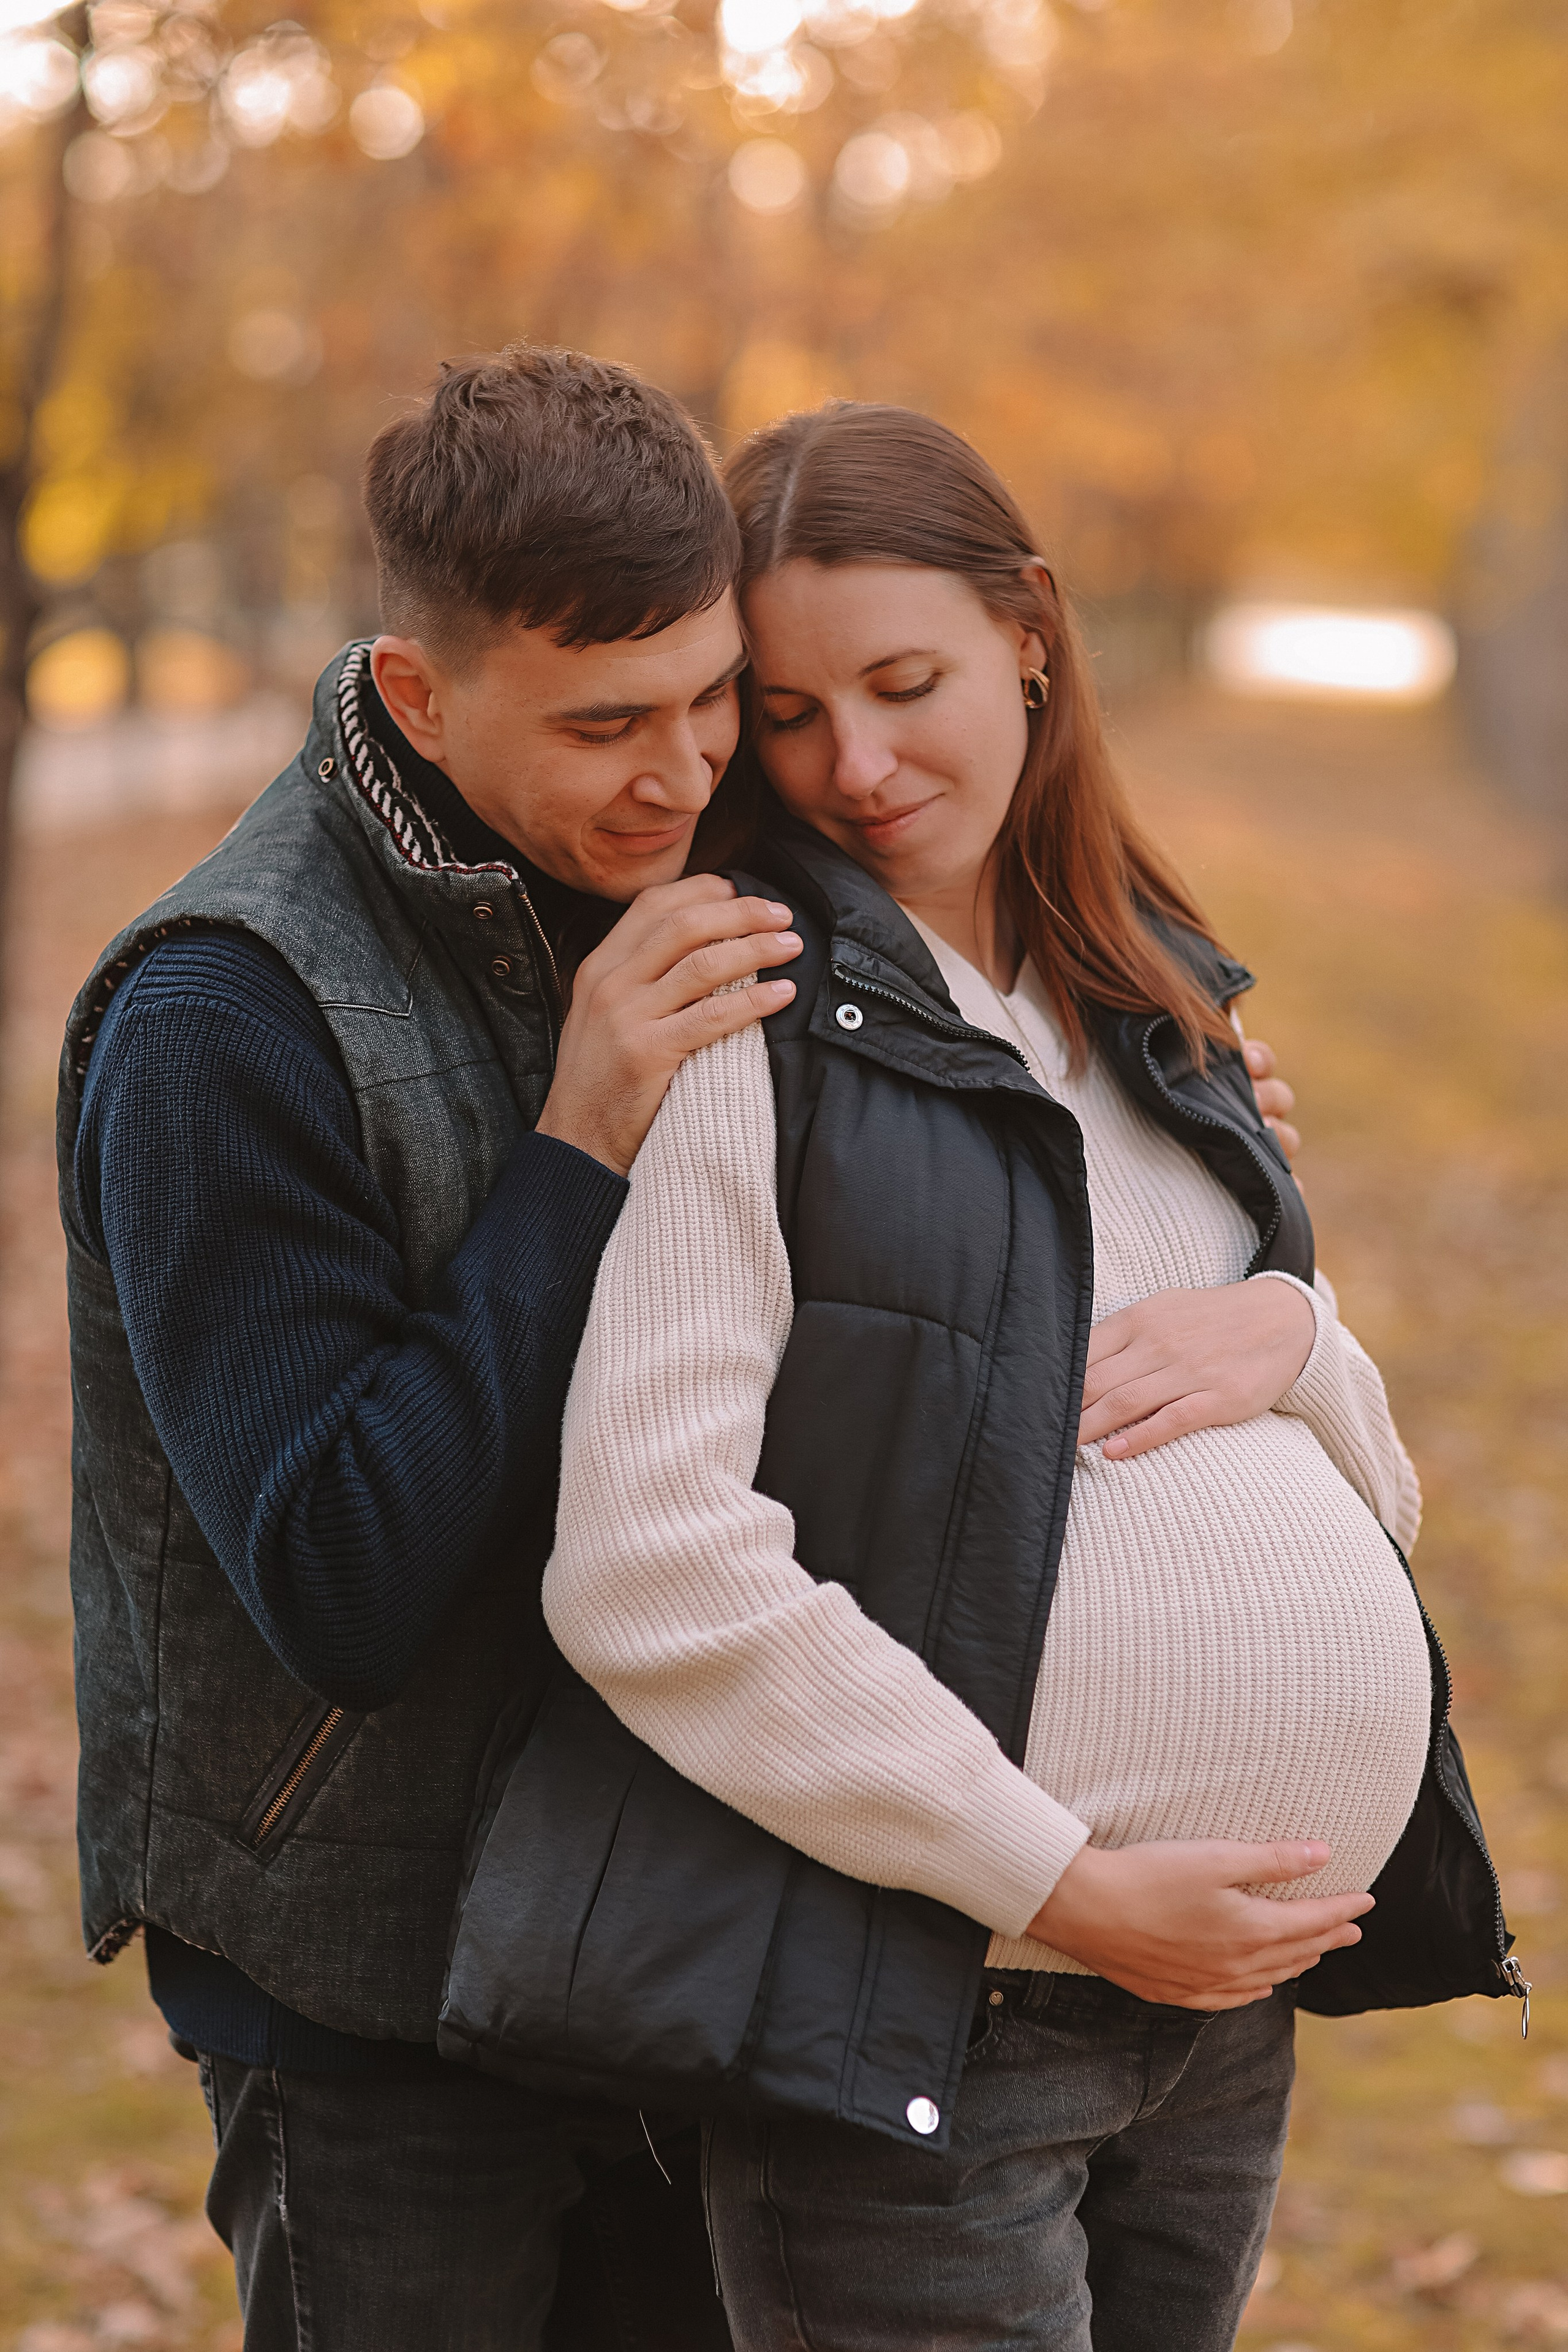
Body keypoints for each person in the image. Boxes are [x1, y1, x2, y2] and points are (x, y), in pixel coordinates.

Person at [443, 402, 1523, 2351]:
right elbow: (648, 1561)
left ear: (1032, 633)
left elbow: (1380, 1499)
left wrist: (1298, 1336)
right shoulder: (748, 1029)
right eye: (785, 711)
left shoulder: (1164, 1014)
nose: (852, 764)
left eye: (906, 681)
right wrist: (1067, 1882)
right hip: (951, 2014)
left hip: (1218, 2026)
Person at [56, 345, 806, 2352]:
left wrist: (1195, 1126)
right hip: (364, 1980)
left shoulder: (667, 861)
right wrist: (579, 1142)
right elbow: (345, 1578)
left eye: (713, 695)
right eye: (606, 721)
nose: (682, 770)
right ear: (419, 691)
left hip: (666, 1911)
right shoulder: (224, 1015)